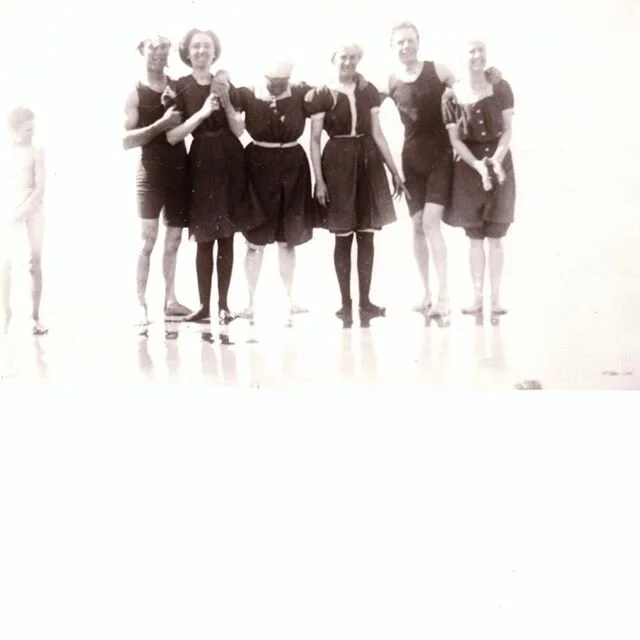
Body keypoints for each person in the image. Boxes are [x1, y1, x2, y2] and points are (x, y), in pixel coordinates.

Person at [307, 43, 408, 328]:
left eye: (353, 58)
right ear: (333, 59)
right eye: (343, 57)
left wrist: (394, 172)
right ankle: (345, 303)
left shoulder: (368, 90)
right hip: (337, 162)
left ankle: (365, 302)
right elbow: (314, 140)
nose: (348, 62)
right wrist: (320, 181)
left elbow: (378, 133)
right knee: (342, 235)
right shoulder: (322, 94)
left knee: (367, 234)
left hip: (367, 161)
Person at [166, 28, 256, 325]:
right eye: (196, 47)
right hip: (201, 160)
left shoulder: (225, 82)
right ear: (187, 53)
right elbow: (172, 137)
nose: (202, 51)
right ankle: (205, 306)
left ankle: (224, 306)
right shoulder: (180, 86)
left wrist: (226, 100)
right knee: (204, 237)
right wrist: (203, 113)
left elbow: (240, 130)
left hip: (231, 160)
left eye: (207, 46)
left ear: (214, 51)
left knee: (227, 236)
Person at [234, 56, 318, 326]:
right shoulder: (247, 94)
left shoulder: (302, 92)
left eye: (282, 83)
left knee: (288, 239)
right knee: (254, 241)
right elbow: (223, 100)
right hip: (258, 167)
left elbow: (329, 96)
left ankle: (290, 298)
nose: (276, 87)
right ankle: (248, 301)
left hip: (293, 167)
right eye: (272, 82)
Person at [442, 38, 515, 316]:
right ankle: (476, 298)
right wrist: (478, 166)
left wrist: (495, 160)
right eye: (470, 52)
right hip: (469, 168)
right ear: (462, 57)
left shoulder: (500, 86)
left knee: (496, 236)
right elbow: (455, 141)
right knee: (474, 237)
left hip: (500, 162)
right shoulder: (450, 96)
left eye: (480, 51)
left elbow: (507, 130)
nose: (476, 56)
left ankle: (495, 300)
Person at [123, 34, 192, 327]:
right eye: (153, 48)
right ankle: (140, 303)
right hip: (150, 172)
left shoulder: (178, 87)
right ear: (142, 51)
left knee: (174, 240)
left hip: (180, 170)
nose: (159, 54)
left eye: (165, 49)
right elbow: (126, 141)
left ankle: (170, 300)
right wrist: (160, 124)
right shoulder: (135, 91)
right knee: (147, 240)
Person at [0, 105, 47, 335]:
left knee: (34, 261)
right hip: (11, 206)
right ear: (14, 130)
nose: (32, 133)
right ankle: (5, 313)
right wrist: (11, 212)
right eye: (27, 129)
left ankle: (35, 317)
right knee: (4, 263)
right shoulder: (6, 151)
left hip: (33, 208)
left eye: (33, 128)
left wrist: (22, 212)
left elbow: (40, 189)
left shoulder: (37, 150)